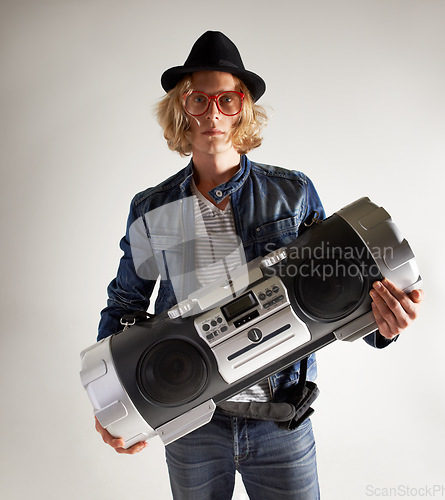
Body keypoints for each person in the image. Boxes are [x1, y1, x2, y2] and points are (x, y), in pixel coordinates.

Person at [95, 31, 423, 500]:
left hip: (281, 420)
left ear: (242, 107)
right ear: (181, 107)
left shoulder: (291, 194)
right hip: (193, 424)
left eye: (226, 100)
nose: (212, 113)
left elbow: (341, 284)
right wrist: (112, 404)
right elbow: (126, 305)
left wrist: (385, 324)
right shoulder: (154, 209)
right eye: (199, 99)